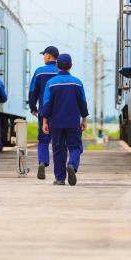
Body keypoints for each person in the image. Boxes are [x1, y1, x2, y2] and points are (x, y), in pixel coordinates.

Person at [40, 54, 88, 186]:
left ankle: (60, 178)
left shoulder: (50, 83)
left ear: (57, 66)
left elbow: (47, 103)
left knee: (58, 149)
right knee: (76, 147)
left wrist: (45, 121)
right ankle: (72, 164)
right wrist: (84, 119)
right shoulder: (77, 82)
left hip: (55, 122)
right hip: (73, 121)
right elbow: (82, 103)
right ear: (71, 66)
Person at [27, 45, 60, 180]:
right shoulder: (61, 71)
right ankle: (61, 169)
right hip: (60, 112)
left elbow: (33, 91)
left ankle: (42, 162)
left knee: (43, 140)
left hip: (44, 110)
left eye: (44, 55)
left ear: (48, 56)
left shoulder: (39, 72)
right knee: (59, 141)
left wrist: (33, 107)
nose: (43, 57)